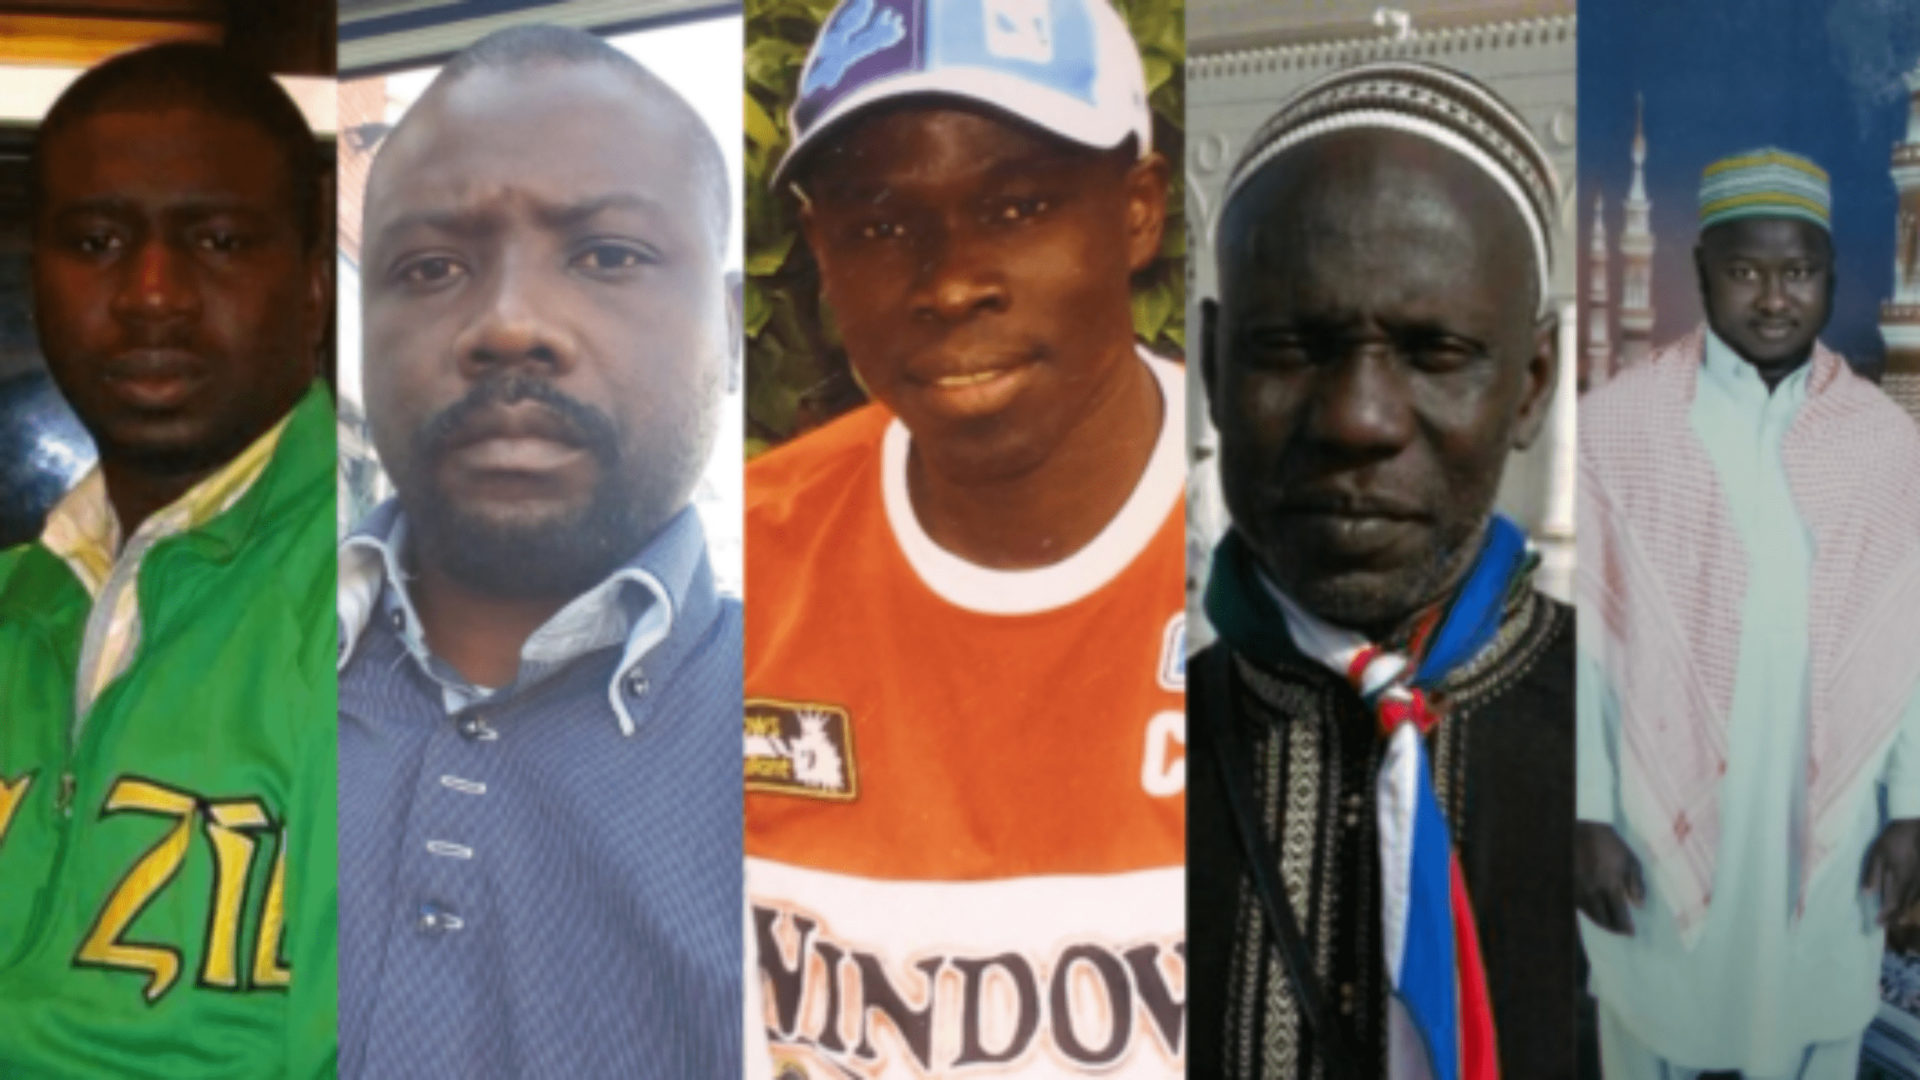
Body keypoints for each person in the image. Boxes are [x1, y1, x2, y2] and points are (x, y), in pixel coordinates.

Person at [740, 0, 1185, 1075]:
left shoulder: (1271, 560)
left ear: (1135, 212)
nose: (949, 282)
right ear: (820, 253)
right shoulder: (736, 569)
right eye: (881, 227)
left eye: (1020, 205)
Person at [335, 25, 741, 1078]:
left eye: (608, 256)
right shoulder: (210, 670)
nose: (509, 323)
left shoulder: (832, 732)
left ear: (732, 332)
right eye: (431, 267)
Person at [1187, 61, 1575, 1078]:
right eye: (1294, 347)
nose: (1359, 419)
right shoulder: (1108, 745)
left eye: (1436, 351)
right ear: (1216, 364)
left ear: (1531, 383)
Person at [0, 42, 336, 1078]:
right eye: (97, 240)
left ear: (316, 284)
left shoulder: (405, 609)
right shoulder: (22, 603)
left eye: (221, 239)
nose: (152, 294)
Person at [1577, 147, 1920, 1079]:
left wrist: (1913, 808)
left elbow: (1909, 645)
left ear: (1831, 277)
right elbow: (1583, 643)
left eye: (1799, 272)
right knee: (1650, 1024)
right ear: (1701, 273)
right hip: (1657, 819)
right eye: (1746, 272)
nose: (1775, 299)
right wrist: (1589, 810)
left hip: (1830, 823)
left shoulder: (1889, 446)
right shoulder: (1618, 426)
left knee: (1817, 1025)